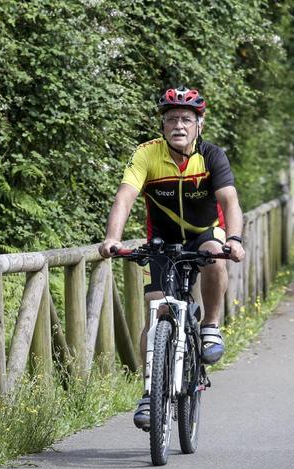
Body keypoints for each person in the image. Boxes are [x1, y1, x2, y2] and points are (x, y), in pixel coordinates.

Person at [98, 86, 244, 430]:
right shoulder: (147, 155)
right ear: (162, 125)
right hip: (162, 241)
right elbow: (125, 197)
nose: (179, 125)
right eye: (171, 119)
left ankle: (209, 325)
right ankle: (150, 391)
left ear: (199, 125)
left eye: (186, 119)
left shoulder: (212, 157)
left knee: (215, 256)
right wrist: (112, 239)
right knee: (156, 309)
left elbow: (230, 202)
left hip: (205, 234)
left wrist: (234, 239)